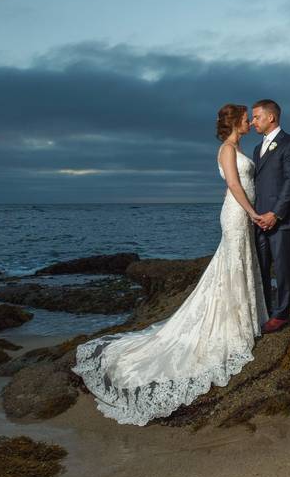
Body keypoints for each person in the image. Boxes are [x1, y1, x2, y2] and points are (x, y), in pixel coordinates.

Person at [70, 104, 269, 426]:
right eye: (246, 118)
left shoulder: (238, 147)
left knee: (238, 265)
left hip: (242, 213)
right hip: (236, 213)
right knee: (231, 265)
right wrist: (253, 213)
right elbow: (234, 185)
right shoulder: (227, 149)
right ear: (235, 122)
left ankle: (242, 319)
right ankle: (232, 327)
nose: (250, 122)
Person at [250, 99, 290, 333]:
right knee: (261, 267)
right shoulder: (256, 148)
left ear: (271, 117)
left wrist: (275, 214)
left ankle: (281, 315)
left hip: (282, 219)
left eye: (256, 117)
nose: (252, 122)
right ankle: (265, 310)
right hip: (258, 219)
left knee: (283, 268)